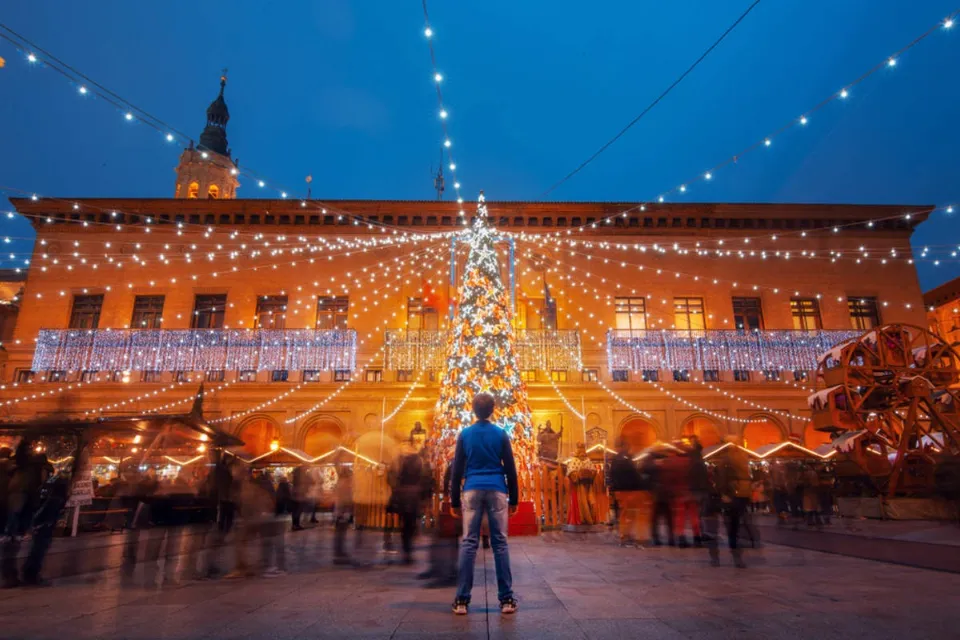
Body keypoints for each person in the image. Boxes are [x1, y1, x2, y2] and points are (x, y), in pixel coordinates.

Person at [450, 392, 519, 616]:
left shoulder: (465, 434)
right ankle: (506, 599)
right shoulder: (500, 434)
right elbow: (510, 467)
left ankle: (462, 600)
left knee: (469, 543)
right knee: (500, 543)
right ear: (493, 409)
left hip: (472, 488)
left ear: (473, 409)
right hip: (497, 487)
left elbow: (456, 469)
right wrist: (515, 498)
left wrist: (453, 500)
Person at [714, 437, 752, 568]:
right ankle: (741, 550)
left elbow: (722, 479)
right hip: (744, 494)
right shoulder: (744, 456)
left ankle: (736, 553)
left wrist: (723, 494)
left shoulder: (726, 459)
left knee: (732, 526)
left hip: (733, 495)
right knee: (741, 523)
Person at [607, 438, 645, 547]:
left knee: (625, 513)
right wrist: (640, 484)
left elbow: (612, 475)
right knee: (627, 513)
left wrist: (614, 489)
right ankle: (625, 535)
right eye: (627, 446)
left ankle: (625, 534)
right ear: (624, 446)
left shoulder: (615, 459)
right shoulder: (626, 458)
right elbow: (633, 474)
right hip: (627, 490)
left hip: (621, 490)